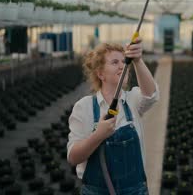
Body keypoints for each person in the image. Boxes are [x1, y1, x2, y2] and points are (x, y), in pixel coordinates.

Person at [67, 38, 159, 195]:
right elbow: (73, 158)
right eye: (115, 62)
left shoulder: (133, 99)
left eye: (124, 61)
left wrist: (137, 60)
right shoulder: (84, 107)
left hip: (135, 190)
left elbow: (151, 95)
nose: (122, 65)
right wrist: (98, 136)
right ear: (101, 74)